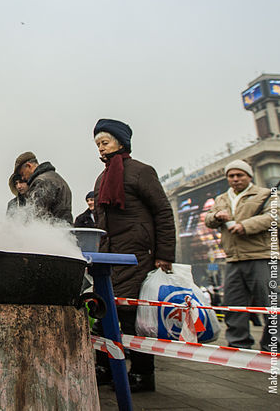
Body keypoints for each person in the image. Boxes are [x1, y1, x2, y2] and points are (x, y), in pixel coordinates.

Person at [92, 118, 175, 392]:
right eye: (97, 145)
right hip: (110, 256)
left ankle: (142, 373)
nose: (101, 149)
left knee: (132, 316)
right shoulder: (103, 177)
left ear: (120, 142)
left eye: (104, 143)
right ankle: (104, 366)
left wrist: (164, 254)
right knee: (103, 312)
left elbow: (163, 212)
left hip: (137, 255)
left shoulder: (142, 172)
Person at [204, 159, 280, 354]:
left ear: (249, 176)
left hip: (263, 256)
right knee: (233, 305)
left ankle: (273, 347)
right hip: (233, 258)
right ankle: (238, 344)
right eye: (231, 176)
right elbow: (208, 219)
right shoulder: (222, 198)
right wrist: (216, 217)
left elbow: (276, 217)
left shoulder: (265, 195)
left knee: (271, 304)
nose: (235, 179)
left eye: (239, 175)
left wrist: (245, 226)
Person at [11, 152, 73, 224]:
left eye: (22, 173)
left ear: (29, 166)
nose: (23, 177)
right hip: (63, 230)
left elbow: (37, 214)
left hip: (50, 232)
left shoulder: (41, 182)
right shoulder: (56, 178)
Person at [5, 153, 32, 218]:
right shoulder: (12, 204)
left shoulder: (37, 198)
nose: (19, 186)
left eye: (21, 182)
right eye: (16, 184)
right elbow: (9, 225)